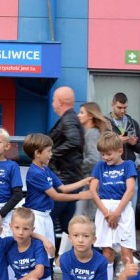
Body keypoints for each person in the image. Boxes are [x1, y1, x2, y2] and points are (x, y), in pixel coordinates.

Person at [22, 133, 92, 245]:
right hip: (36, 217)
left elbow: (63, 188)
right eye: (49, 151)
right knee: (41, 247)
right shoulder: (35, 173)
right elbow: (56, 196)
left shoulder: (45, 169)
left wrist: (83, 181)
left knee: (50, 247)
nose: (51, 154)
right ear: (37, 153)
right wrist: (79, 196)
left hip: (46, 215)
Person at [89, 132, 137, 280]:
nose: (105, 157)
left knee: (126, 252)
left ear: (119, 151)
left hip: (122, 209)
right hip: (104, 209)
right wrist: (105, 213)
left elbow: (130, 190)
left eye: (109, 154)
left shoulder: (128, 165)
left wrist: (116, 213)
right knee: (107, 252)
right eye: (103, 154)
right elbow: (93, 190)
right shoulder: (100, 166)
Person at [48, 86, 84, 254]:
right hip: (70, 177)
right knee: (66, 223)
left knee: (49, 218)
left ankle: (47, 257)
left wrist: (52, 153)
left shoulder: (68, 119)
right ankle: (79, 256)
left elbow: (74, 141)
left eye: (54, 99)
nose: (52, 103)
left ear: (60, 102)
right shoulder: (69, 118)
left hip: (65, 179)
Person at [107, 92, 140, 163]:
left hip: (129, 165)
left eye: (125, 108)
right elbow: (99, 147)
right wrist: (116, 142)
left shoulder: (133, 123)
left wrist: (134, 144)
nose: (122, 111)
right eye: (119, 107)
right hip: (112, 166)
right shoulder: (104, 123)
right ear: (112, 105)